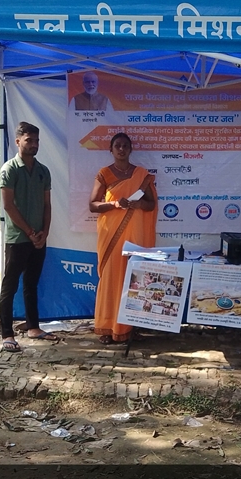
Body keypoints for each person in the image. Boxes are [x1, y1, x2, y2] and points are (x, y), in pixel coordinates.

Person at [89, 133, 157, 345]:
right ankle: (107, 327)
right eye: (117, 145)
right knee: (110, 279)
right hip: (111, 235)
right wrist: (116, 204)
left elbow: (151, 205)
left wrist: (139, 204)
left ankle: (130, 328)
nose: (121, 149)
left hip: (134, 235)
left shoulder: (141, 174)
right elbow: (93, 205)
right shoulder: (104, 174)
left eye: (125, 146)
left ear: (130, 149)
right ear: (110, 149)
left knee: (133, 278)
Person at [0, 122, 55, 352]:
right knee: (10, 286)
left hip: (38, 238)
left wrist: (44, 232)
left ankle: (33, 327)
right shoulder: (9, 169)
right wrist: (30, 232)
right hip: (17, 238)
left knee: (31, 283)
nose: (34, 144)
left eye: (36, 141)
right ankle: (7, 334)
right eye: (29, 140)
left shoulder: (43, 171)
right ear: (18, 141)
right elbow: (8, 206)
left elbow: (47, 204)